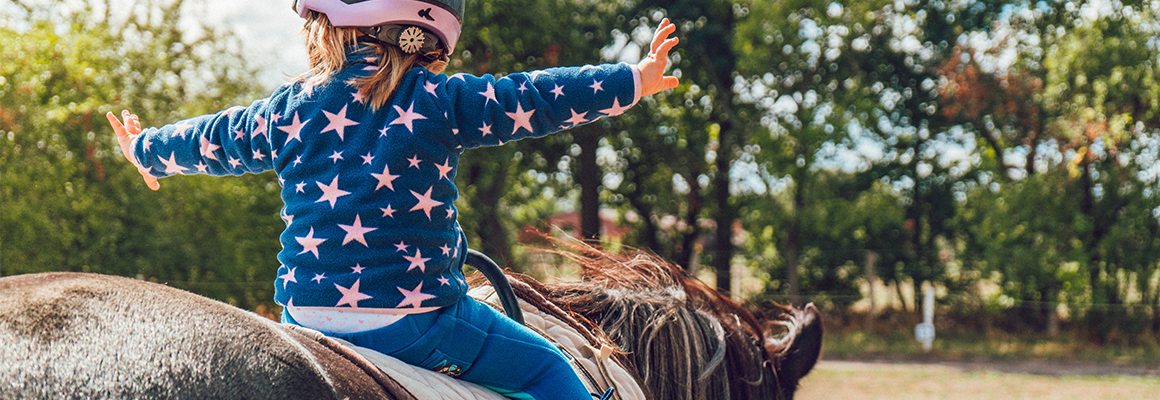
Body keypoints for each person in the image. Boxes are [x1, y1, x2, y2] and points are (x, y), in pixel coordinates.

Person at [107, 0, 678, 398]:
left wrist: (146, 150)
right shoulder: (440, 98)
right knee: (548, 369)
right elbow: (536, 95)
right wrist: (636, 79)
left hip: (304, 320)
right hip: (417, 322)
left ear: (329, 27)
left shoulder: (287, 109)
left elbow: (216, 137)